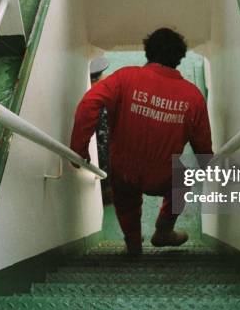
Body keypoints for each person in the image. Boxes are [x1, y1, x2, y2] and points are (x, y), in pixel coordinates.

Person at [70, 28, 213, 255]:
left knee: (126, 205)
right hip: (162, 175)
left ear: (148, 52)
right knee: (183, 181)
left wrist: (78, 149)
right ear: (179, 58)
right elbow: (202, 143)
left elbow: (89, 103)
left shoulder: (124, 78)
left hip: (123, 169)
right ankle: (164, 231)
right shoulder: (193, 97)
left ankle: (134, 245)